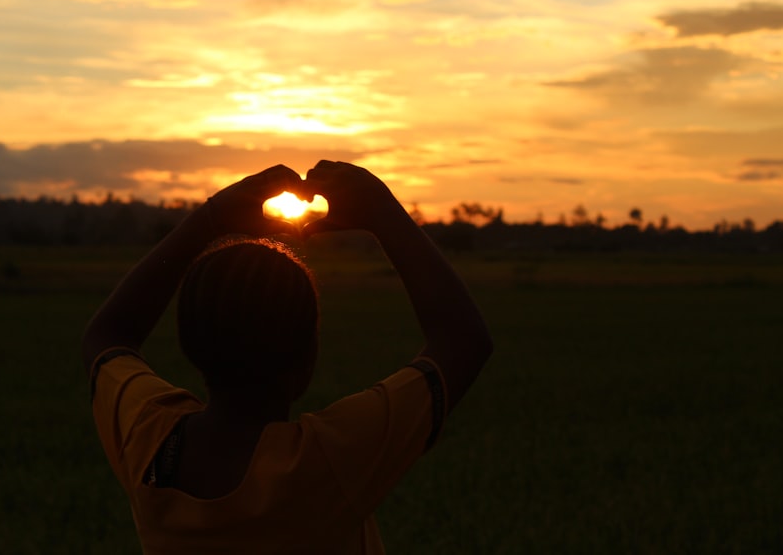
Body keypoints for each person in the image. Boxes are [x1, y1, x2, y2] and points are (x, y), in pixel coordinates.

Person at [82, 160, 493, 554]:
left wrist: (210, 218)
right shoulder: (328, 460)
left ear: (188, 344)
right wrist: (382, 211)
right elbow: (463, 341)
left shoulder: (149, 443)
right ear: (306, 360)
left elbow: (108, 334)